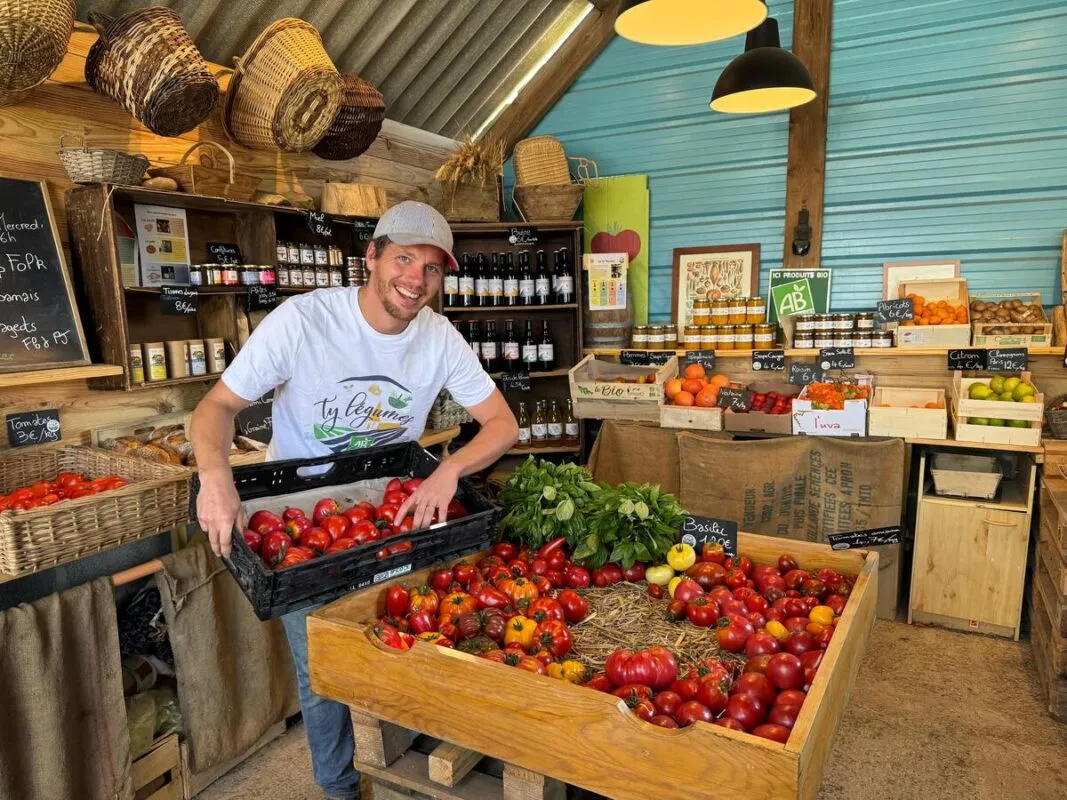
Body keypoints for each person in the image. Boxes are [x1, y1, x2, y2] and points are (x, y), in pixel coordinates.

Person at [189, 201, 518, 800]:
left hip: (393, 515)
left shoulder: (439, 336)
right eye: (403, 258)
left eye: (432, 268)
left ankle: (410, 767)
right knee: (324, 673)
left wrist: (449, 470)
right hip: (301, 524)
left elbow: (500, 423)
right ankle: (340, 788)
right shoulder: (304, 321)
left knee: (405, 648)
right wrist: (215, 476)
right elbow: (214, 409)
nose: (415, 280)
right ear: (371, 257)